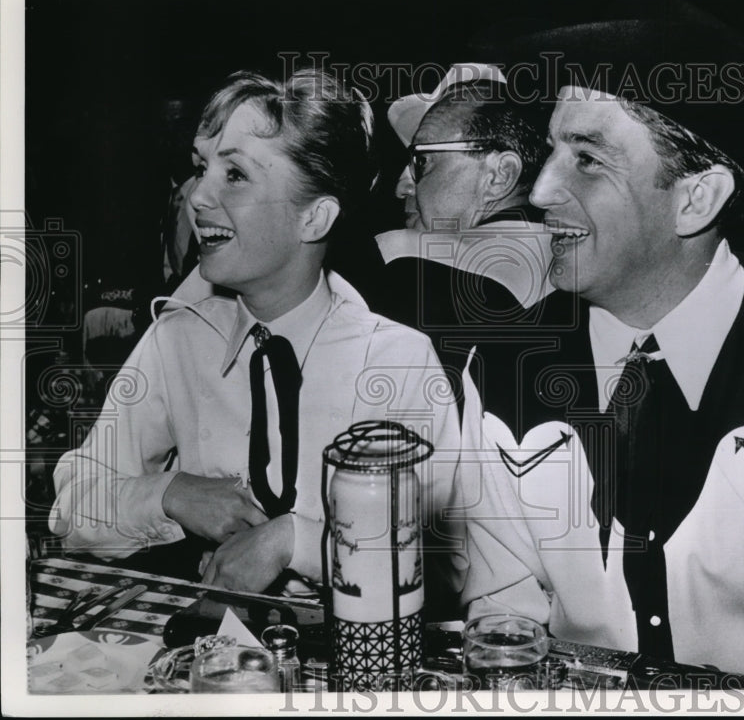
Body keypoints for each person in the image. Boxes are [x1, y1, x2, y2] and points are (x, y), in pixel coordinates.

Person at [459, 14, 744, 682]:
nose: (541, 190)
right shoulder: (505, 362)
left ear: (695, 199)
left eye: (586, 158)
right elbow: (504, 628)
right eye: (551, 151)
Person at [49, 67, 463, 595]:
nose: (198, 197)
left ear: (314, 219)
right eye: (202, 169)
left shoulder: (399, 362)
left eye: (235, 176)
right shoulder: (178, 340)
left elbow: (442, 560)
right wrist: (169, 493)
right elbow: (72, 505)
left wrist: (295, 541)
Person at [358, 64, 554, 403]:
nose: (403, 186)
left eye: (422, 162)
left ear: (499, 175)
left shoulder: (399, 256)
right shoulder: (590, 273)